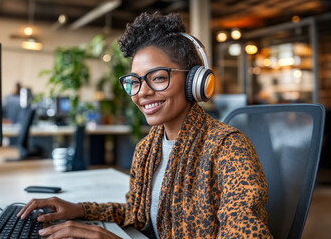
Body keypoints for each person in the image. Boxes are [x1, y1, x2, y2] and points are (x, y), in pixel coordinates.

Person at [17, 12, 272, 238]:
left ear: (195, 82)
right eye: (135, 81)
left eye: (158, 78)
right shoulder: (147, 148)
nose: (142, 92)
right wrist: (80, 209)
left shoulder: (228, 148)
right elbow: (140, 214)